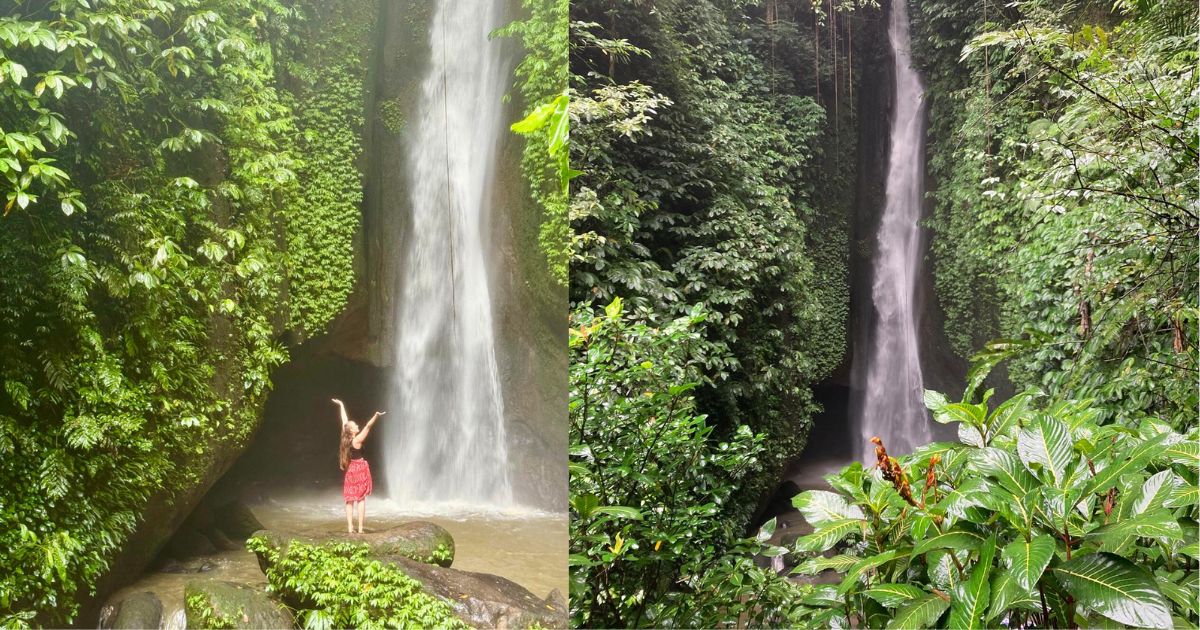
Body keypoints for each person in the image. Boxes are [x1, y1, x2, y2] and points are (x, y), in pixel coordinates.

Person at [331, 398, 384, 534]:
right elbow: (368, 426)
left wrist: (341, 405)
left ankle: (350, 527)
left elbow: (344, 421)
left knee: (349, 499)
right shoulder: (357, 440)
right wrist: (376, 416)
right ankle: (360, 529)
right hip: (360, 469)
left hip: (350, 470)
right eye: (355, 426)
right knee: (360, 499)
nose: (357, 426)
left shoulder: (345, 438)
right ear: (352, 431)